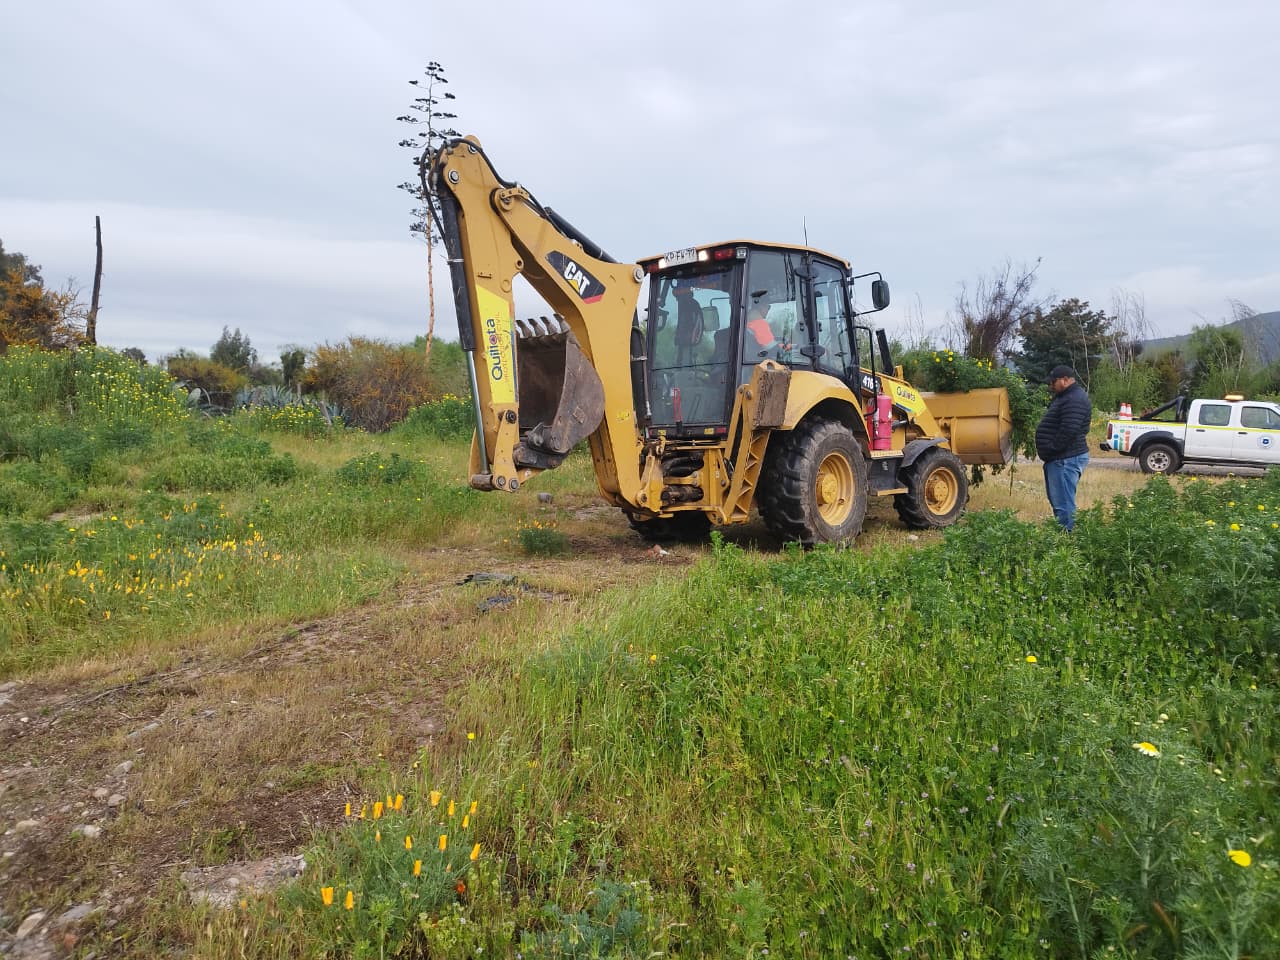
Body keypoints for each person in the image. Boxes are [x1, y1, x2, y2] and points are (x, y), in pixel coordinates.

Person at [1035, 364, 1092, 531]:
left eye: (1053, 382)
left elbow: (1069, 429)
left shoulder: (1074, 399)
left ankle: (1067, 541)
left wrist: (1052, 449)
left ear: (1065, 380)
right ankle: (1064, 536)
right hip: (1062, 458)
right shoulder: (1067, 396)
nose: (1051, 385)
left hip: (1065, 459)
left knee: (1064, 504)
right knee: (1061, 502)